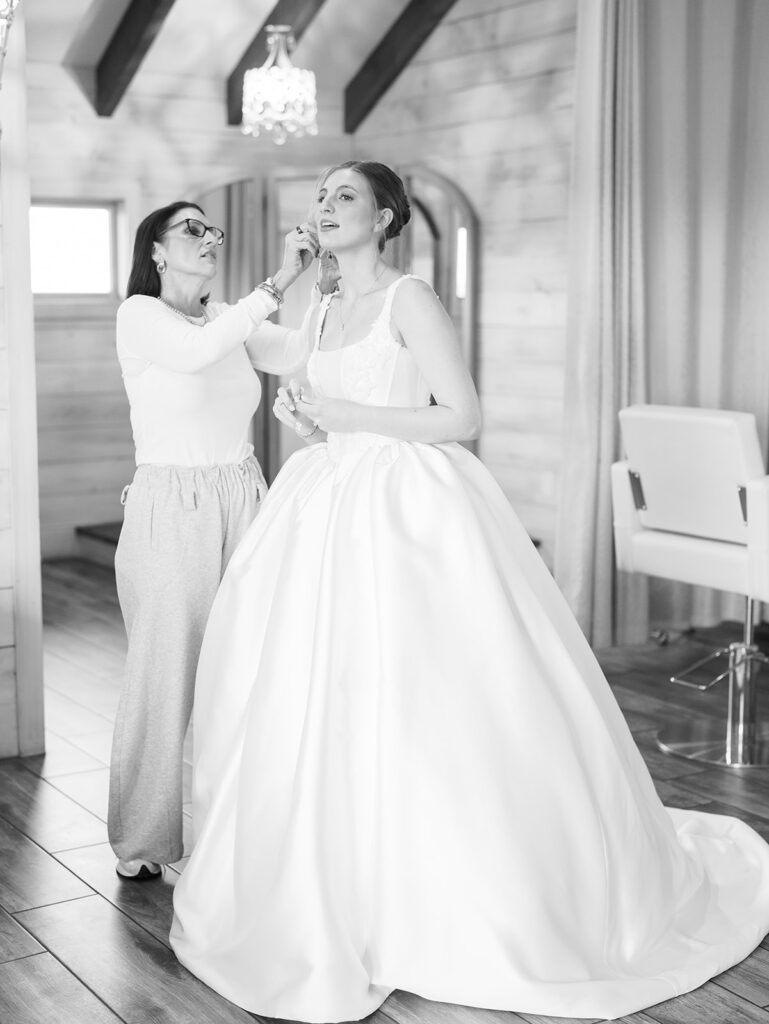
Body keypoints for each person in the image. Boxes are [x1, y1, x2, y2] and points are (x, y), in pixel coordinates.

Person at [170, 163, 769, 1021]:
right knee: (321, 692)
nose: (326, 207)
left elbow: (460, 416)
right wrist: (314, 418)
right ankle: (329, 882)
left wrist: (351, 419)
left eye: (345, 197)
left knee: (436, 694)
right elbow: (332, 402)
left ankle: (463, 899)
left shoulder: (411, 297)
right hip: (325, 498)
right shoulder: (328, 304)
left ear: (385, 218)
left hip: (409, 506)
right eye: (322, 196)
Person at [108, 200, 319, 881]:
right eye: (190, 229)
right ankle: (143, 839)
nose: (206, 238)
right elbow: (195, 354)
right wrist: (279, 281)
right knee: (164, 674)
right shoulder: (140, 315)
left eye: (212, 229)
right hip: (172, 502)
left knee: (250, 664)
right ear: (158, 251)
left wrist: (323, 289)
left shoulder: (226, 315)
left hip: (243, 493)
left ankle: (245, 829)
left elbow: (292, 353)